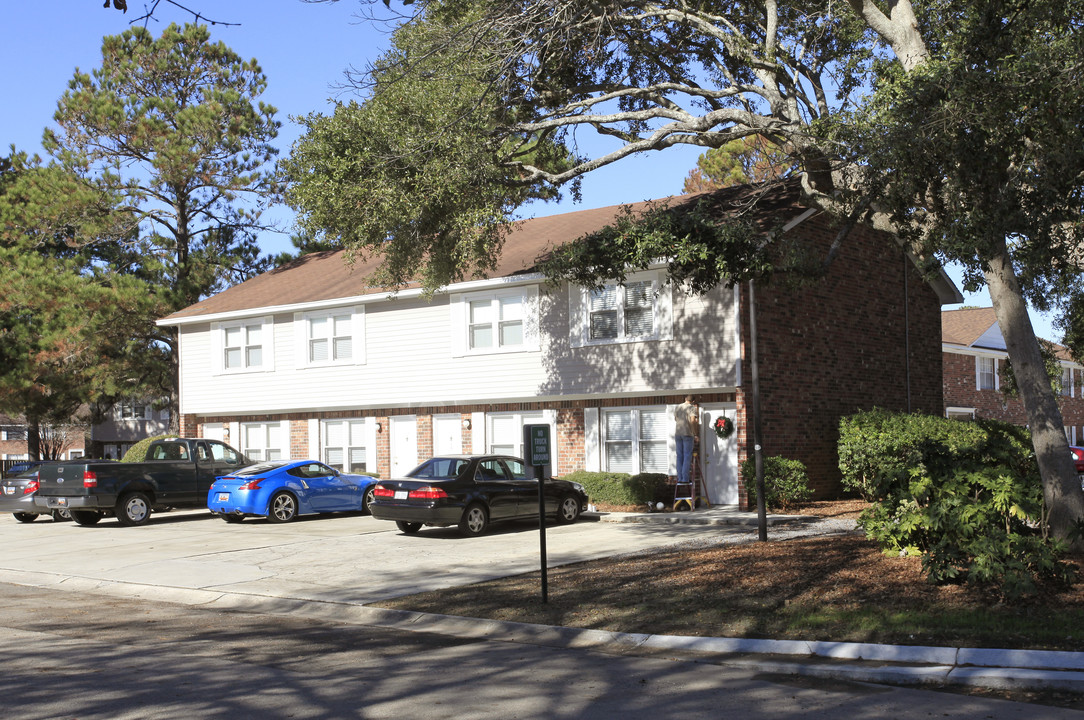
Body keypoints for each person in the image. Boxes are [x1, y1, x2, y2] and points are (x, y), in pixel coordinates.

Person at [674, 395, 698, 485]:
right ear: (693, 401)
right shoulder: (691, 408)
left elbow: (675, 419)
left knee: (679, 456)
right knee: (687, 456)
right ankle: (685, 478)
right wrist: (695, 433)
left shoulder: (678, 407)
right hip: (687, 434)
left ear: (685, 399)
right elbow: (692, 421)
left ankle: (680, 477)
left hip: (678, 434)